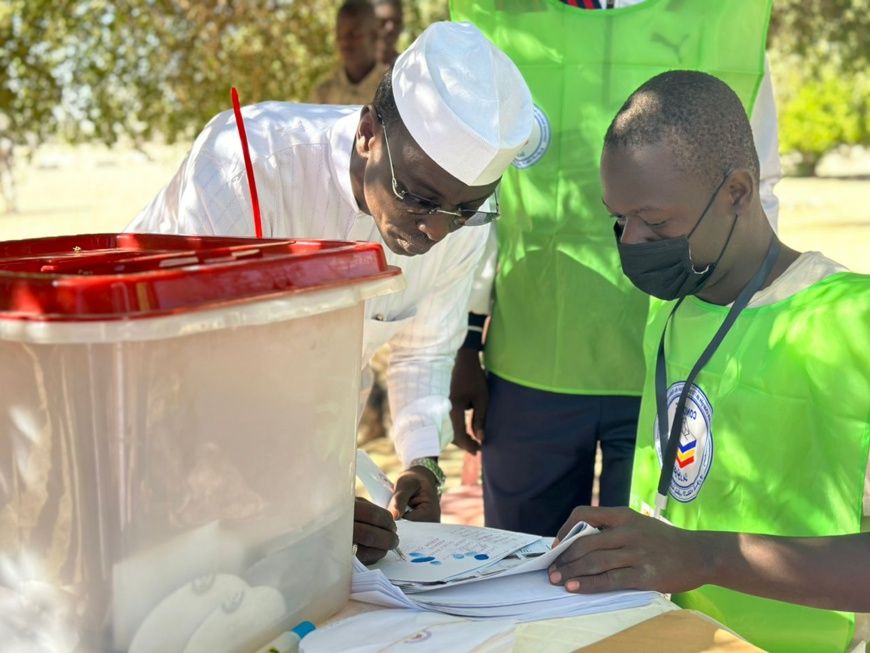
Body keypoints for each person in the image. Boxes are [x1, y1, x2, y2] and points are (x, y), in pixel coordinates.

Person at [128, 22, 533, 532]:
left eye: (465, 208)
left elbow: (423, 349)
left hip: (299, 460)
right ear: (368, 135)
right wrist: (300, 509)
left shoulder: (462, 224)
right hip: (155, 441)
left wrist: (422, 461)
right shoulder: (248, 165)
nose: (435, 229)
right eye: (418, 197)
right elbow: (189, 371)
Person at [548, 70, 870, 653]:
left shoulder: (853, 322)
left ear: (739, 192)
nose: (633, 243)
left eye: (658, 222)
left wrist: (704, 557)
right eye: (619, 220)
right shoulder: (670, 308)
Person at [449, 0, 782, 538]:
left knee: (650, 578)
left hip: (675, 364)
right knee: (525, 566)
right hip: (533, 361)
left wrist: (746, 334)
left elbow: (758, 186)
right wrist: (463, 341)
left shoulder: (718, 21)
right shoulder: (507, 20)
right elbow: (477, 197)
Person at [309, 0, 386, 106]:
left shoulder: (391, 89)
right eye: (340, 34)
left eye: (353, 34)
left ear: (374, 36)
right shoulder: (323, 92)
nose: (345, 41)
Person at [374, 0, 404, 66]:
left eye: (397, 22)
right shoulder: (352, 67)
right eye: (382, 22)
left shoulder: (407, 66)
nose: (390, 28)